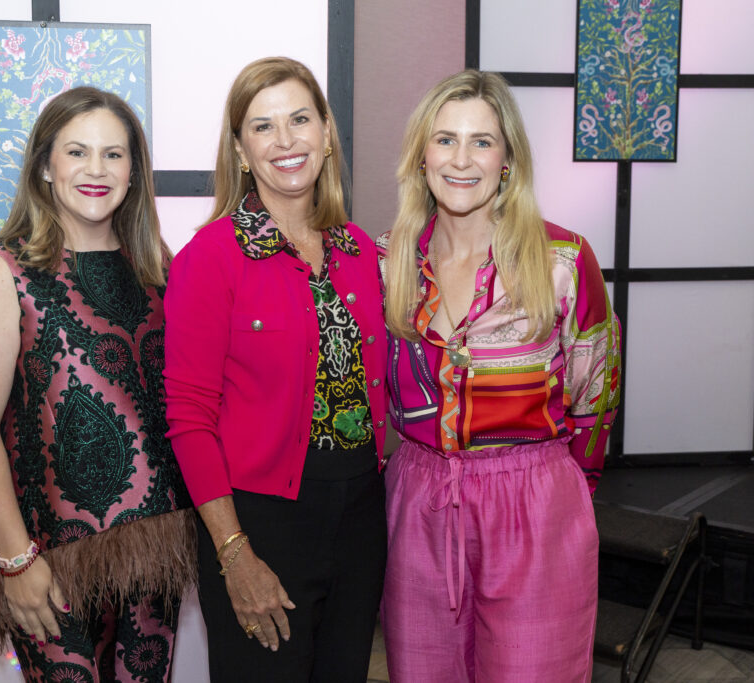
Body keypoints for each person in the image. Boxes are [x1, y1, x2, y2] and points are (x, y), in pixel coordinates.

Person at [378, 69, 621, 682]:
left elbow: (596, 401)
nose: (462, 159)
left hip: (533, 501)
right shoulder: (385, 264)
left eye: (482, 142)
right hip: (416, 501)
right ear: (421, 156)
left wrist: (557, 494)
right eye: (445, 140)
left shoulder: (563, 261)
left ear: (508, 160)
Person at [0, 86, 195, 683]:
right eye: (78, 152)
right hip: (47, 557)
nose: (96, 169)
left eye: (114, 154)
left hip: (153, 552)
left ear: (134, 172)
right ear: (44, 165)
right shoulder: (2, 272)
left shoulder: (161, 271)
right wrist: (15, 561)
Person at [163, 57, 388, 683]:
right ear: (241, 150)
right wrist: (235, 555)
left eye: (299, 120)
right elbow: (187, 418)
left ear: (326, 134)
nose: (286, 141)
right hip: (261, 524)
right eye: (263, 127)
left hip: (361, 517)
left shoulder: (361, 250)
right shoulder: (210, 258)